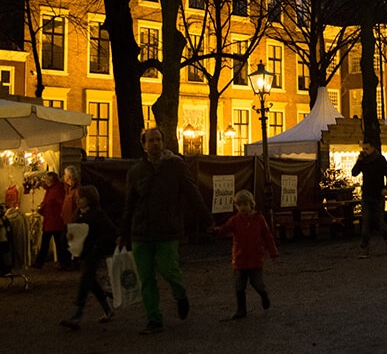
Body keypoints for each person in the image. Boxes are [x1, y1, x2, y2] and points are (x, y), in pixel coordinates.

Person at [119, 127, 214, 334]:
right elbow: (130, 203)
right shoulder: (136, 172)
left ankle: (180, 293)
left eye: (158, 139)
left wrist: (207, 219)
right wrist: (124, 232)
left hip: (167, 230)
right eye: (151, 140)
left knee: (168, 269)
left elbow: (192, 192)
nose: (155, 143)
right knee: (146, 278)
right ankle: (153, 318)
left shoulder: (176, 167)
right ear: (144, 146)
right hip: (141, 232)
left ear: (163, 143)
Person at [59, 185, 117, 330]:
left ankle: (77, 314)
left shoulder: (97, 214)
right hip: (83, 252)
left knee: (85, 280)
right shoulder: (78, 213)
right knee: (90, 281)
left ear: (90, 199)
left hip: (94, 253)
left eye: (81, 198)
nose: (78, 200)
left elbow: (109, 231)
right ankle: (107, 308)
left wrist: (97, 245)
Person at [215, 190, 278, 319]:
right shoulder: (235, 220)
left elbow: (267, 236)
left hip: (255, 259)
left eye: (245, 204)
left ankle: (263, 294)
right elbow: (224, 229)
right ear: (237, 207)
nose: (243, 207)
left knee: (257, 283)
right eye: (240, 205)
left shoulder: (259, 219)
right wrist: (216, 231)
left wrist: (273, 251)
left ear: (251, 204)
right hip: (240, 259)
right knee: (239, 286)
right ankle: (241, 310)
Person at [352, 140, 387, 258]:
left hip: (377, 195)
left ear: (372, 148)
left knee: (379, 222)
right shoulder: (363, 161)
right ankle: (365, 247)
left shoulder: (380, 159)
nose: (365, 151)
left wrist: (386, 187)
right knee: (365, 222)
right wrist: (359, 160)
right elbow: (354, 173)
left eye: (367, 149)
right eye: (363, 149)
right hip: (366, 195)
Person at [31, 171, 67, 269]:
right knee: (51, 242)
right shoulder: (50, 190)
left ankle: (44, 262)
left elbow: (61, 204)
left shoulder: (57, 190)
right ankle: (43, 261)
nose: (46, 181)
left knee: (55, 243)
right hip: (50, 220)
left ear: (52, 180)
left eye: (47, 179)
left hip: (55, 221)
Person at [60, 165, 81, 269]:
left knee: (70, 242)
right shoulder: (68, 189)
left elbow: (78, 206)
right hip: (66, 220)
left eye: (65, 175)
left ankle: (72, 263)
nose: (63, 177)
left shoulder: (76, 191)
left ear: (69, 177)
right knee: (65, 242)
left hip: (72, 221)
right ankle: (67, 262)